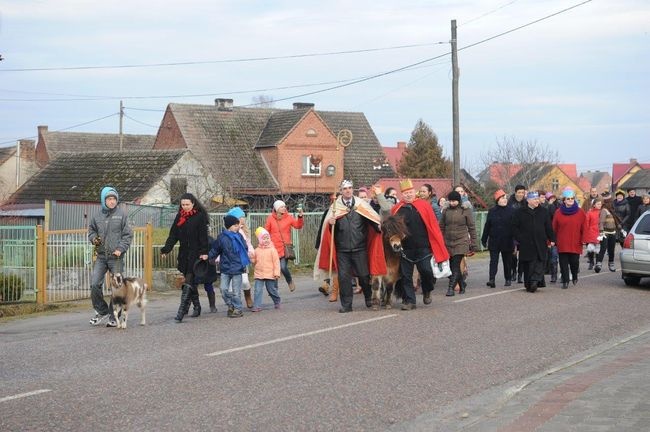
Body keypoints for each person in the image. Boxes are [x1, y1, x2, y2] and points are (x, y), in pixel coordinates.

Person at [315, 179, 386, 313]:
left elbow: (371, 219)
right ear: (341, 191)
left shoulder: (361, 205)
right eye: (345, 188)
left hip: (360, 248)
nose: (348, 190)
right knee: (344, 278)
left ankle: (368, 297)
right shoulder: (335, 207)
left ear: (353, 190)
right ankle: (347, 305)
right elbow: (328, 231)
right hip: (343, 250)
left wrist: (378, 227)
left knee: (364, 276)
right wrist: (330, 224)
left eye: (350, 188)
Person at [391, 179, 450, 309]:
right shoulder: (396, 209)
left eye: (410, 192)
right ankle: (411, 302)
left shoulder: (423, 206)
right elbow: (393, 229)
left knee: (426, 271)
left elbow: (433, 226)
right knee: (406, 276)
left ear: (414, 192)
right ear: (402, 194)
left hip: (423, 247)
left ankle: (427, 289)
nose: (408, 195)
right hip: (406, 249)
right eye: (405, 193)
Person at [88, 186, 133, 327]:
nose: (112, 201)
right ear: (104, 200)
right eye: (109, 199)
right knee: (95, 284)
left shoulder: (122, 215)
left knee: (117, 287)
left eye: (114, 199)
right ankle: (101, 311)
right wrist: (94, 239)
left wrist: (120, 248)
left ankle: (114, 315)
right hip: (101, 256)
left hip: (116, 257)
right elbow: (91, 231)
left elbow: (128, 235)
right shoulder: (96, 216)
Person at [161, 193, 209, 322]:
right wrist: (166, 249)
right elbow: (173, 235)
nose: (185, 207)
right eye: (183, 205)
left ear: (193, 203)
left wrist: (204, 252)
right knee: (190, 282)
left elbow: (203, 236)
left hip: (196, 255)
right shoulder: (179, 217)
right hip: (184, 255)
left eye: (187, 204)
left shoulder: (199, 217)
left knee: (188, 281)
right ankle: (197, 306)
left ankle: (181, 312)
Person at [512, 191, 556, 293]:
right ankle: (529, 284)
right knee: (528, 264)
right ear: (528, 200)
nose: (537, 201)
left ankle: (534, 281)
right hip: (526, 243)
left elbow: (548, 227)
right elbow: (514, 227)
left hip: (540, 242)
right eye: (535, 199)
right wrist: (520, 238)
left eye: (538, 199)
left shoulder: (543, 211)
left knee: (540, 262)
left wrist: (552, 238)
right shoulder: (520, 212)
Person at [209, 215, 250, 318]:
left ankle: (238, 309)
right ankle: (230, 305)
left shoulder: (239, 236)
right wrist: (208, 256)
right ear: (229, 226)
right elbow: (215, 249)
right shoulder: (222, 237)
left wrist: (243, 261)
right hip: (225, 268)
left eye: (238, 225)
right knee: (223, 289)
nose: (238, 227)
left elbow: (245, 248)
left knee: (236, 291)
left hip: (237, 268)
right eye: (235, 225)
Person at [440, 189, 477, 296]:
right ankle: (462, 284)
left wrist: (474, 243)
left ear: (458, 200)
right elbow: (441, 226)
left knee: (455, 264)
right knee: (451, 266)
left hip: (461, 241)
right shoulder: (446, 211)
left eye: (454, 201)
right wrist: (441, 240)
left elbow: (471, 227)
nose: (452, 203)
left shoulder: (465, 210)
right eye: (450, 201)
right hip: (448, 241)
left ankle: (450, 288)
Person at [265, 200, 304, 292]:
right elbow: (266, 231)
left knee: (282, 267)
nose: (284, 208)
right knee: (275, 270)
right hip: (273, 248)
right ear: (276, 208)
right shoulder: (270, 218)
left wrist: (300, 216)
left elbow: (298, 226)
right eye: (282, 207)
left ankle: (289, 281)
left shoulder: (289, 217)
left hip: (284, 248)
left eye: (284, 206)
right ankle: (274, 289)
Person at [552, 188, 587, 288]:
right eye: (568, 199)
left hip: (575, 242)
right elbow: (554, 227)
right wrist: (552, 240)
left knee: (574, 262)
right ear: (564, 200)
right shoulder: (558, 212)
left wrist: (584, 239)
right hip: (562, 242)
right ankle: (565, 281)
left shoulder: (580, 212)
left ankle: (575, 275)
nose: (570, 200)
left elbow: (584, 227)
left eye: (572, 198)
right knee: (563, 263)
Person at [481, 189, 515, 288]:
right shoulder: (492, 211)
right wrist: (484, 239)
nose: (505, 200)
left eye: (505, 198)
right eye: (502, 198)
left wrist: (516, 240)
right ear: (497, 200)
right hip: (494, 240)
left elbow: (515, 227)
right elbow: (487, 226)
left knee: (507, 261)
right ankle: (492, 279)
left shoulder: (511, 210)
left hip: (507, 240)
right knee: (493, 261)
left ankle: (508, 278)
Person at [226, 206, 255, 308]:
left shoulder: (244, 231)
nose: (243, 219)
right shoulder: (228, 231)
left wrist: (251, 252)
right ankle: (233, 303)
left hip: (242, 260)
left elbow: (248, 244)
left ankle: (248, 295)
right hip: (231, 261)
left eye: (243, 217)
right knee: (230, 285)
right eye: (240, 217)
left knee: (245, 281)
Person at [250, 227, 281, 311]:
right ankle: (257, 306)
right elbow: (254, 261)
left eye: (267, 238)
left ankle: (277, 300)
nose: (266, 240)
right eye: (264, 238)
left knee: (271, 290)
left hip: (270, 274)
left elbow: (276, 262)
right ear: (259, 240)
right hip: (259, 274)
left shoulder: (272, 250)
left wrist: (276, 273)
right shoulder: (256, 250)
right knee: (257, 290)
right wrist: (251, 258)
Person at [508, 184, 527, 284]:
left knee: (523, 255)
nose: (521, 195)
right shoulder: (509, 202)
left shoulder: (526, 203)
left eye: (522, 193)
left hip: (523, 232)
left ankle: (520, 274)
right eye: (519, 192)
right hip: (513, 232)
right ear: (515, 193)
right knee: (513, 255)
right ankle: (513, 272)